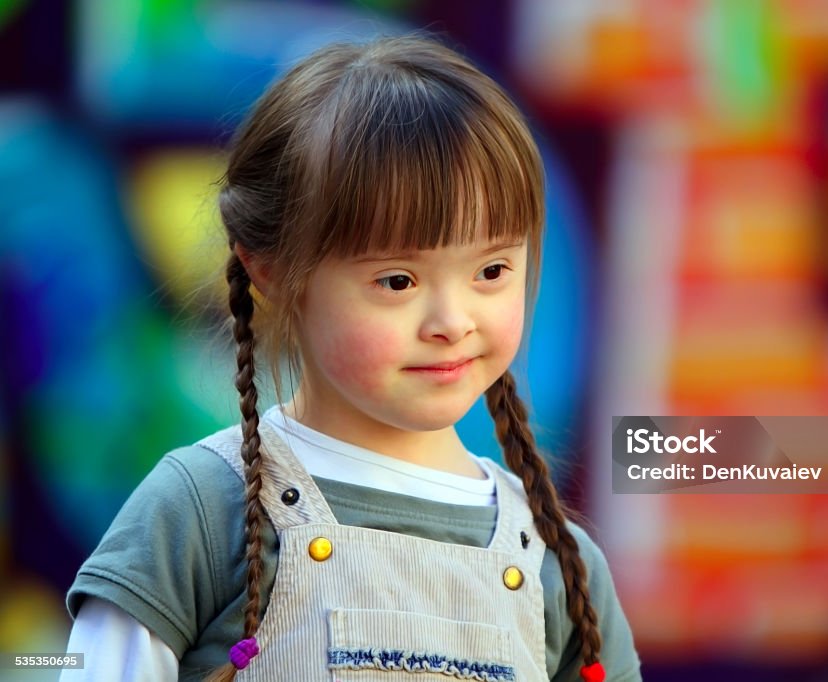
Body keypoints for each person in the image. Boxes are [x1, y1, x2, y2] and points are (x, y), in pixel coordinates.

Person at [62, 35, 641, 681]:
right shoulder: (202, 508)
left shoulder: (561, 564)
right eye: (397, 281)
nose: (453, 322)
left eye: (492, 270)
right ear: (273, 272)